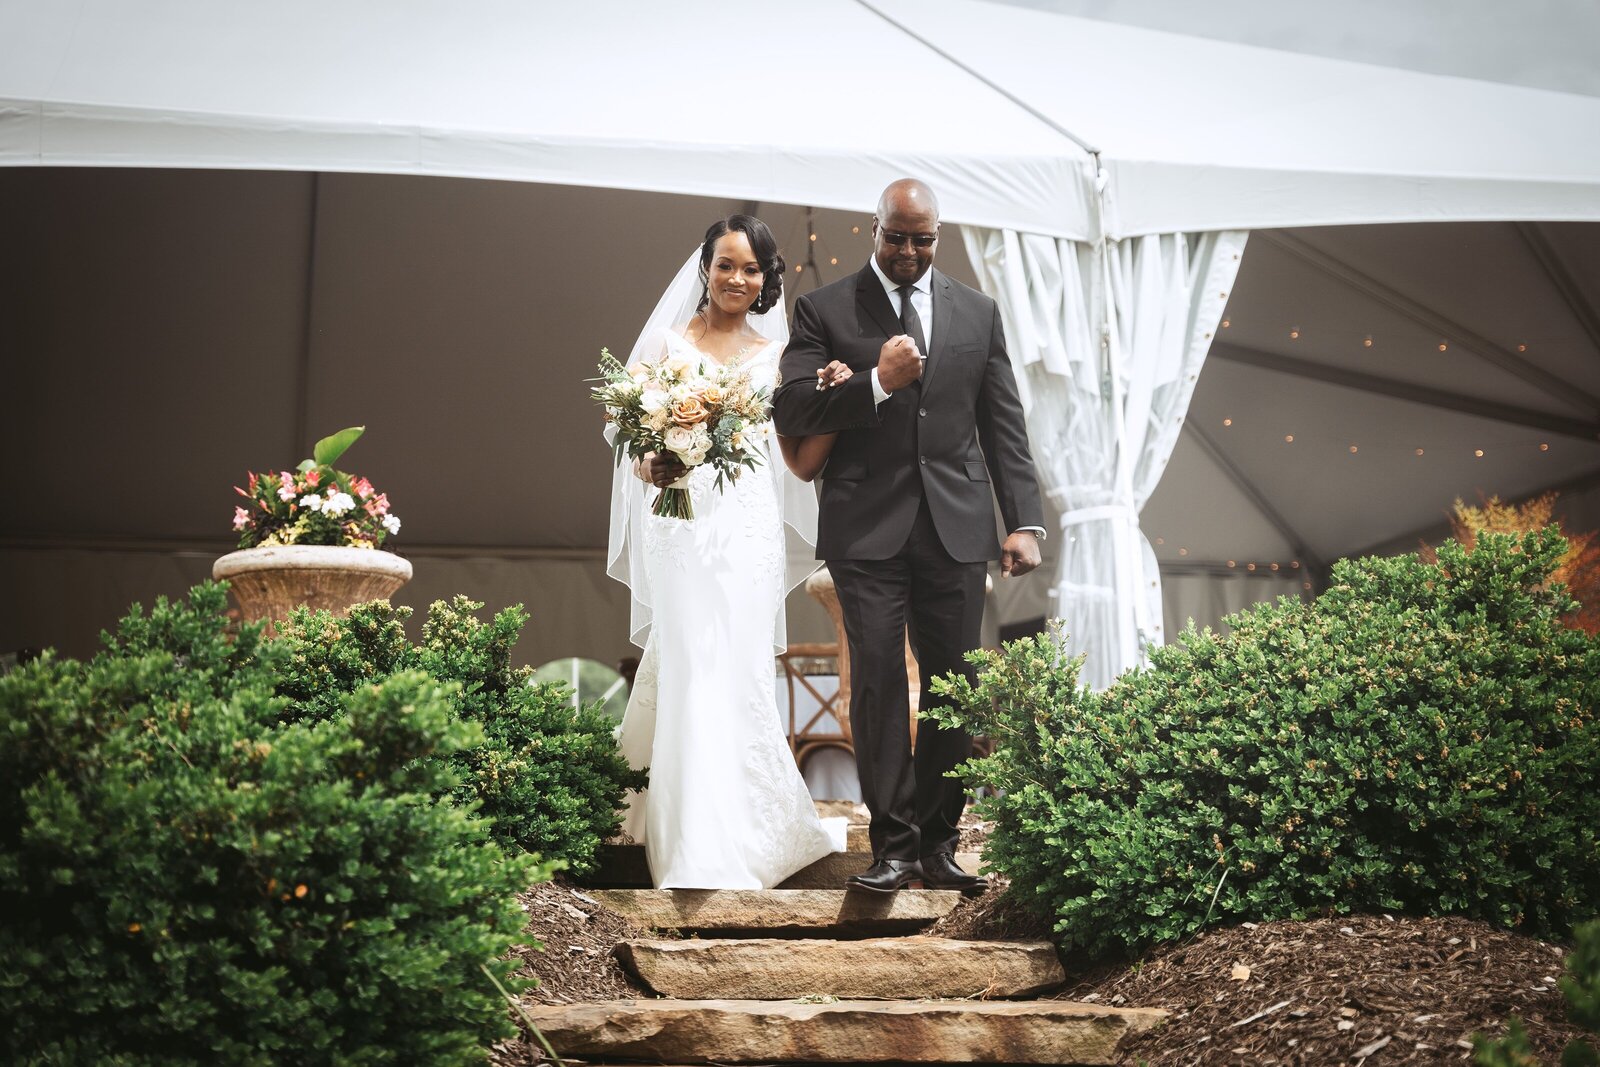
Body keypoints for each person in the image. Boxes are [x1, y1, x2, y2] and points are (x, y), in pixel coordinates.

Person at [772, 179, 1046, 895]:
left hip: (956, 526)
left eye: (922, 239)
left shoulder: (977, 312)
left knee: (955, 686)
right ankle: (890, 847)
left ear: (938, 237)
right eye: (896, 236)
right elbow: (792, 405)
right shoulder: (823, 307)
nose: (908, 251)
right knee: (882, 686)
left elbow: (1002, 423)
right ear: (874, 229)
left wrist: (1022, 520)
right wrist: (874, 382)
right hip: (866, 529)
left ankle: (938, 844)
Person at [606, 215, 851, 889]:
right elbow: (626, 436)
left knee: (737, 666)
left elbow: (801, 439)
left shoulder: (780, 357)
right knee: (689, 660)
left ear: (767, 278)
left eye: (751, 268)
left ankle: (741, 829)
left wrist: (831, 390)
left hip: (746, 529)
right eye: (725, 264)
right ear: (705, 269)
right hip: (681, 526)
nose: (736, 278)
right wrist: (651, 463)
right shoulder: (664, 343)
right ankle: (690, 842)